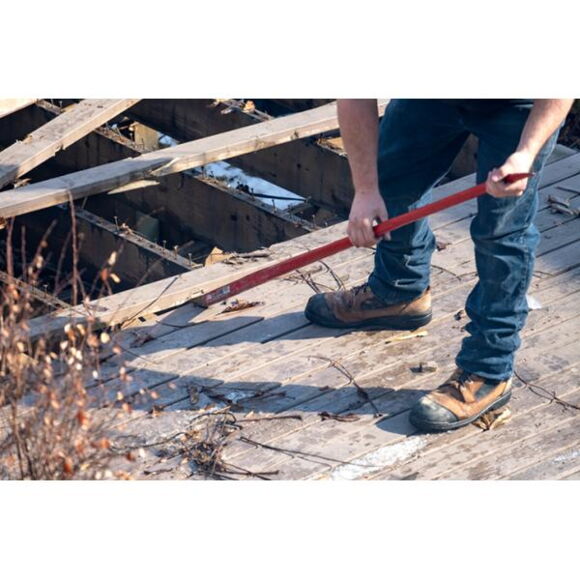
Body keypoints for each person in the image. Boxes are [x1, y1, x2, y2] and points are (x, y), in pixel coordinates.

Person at [304, 99, 574, 432]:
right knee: (392, 180)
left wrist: (525, 153)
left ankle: (489, 369)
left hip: (519, 104)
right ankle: (398, 291)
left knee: (501, 232)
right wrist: (366, 190)